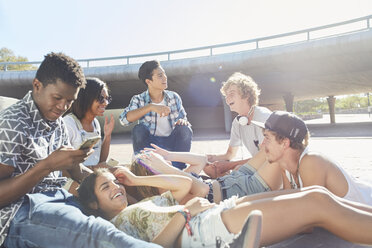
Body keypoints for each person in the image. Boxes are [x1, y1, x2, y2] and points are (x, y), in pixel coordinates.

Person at [0, 52, 159, 248]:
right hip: (22, 211)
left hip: (61, 198)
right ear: (37, 86)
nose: (62, 106)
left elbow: (73, 171)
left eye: (69, 101)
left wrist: (108, 179)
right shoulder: (13, 122)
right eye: (57, 98)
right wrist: (47, 166)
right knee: (99, 234)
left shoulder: (56, 122)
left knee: (125, 221)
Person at [78, 167, 372, 248]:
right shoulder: (114, 227)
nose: (116, 188)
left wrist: (136, 178)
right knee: (314, 205)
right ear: (94, 204)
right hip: (204, 229)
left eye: (113, 183)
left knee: (313, 192)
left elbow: (183, 185)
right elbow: (159, 246)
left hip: (217, 211)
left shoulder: (140, 204)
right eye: (106, 188)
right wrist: (185, 213)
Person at [253, 110, 372, 205]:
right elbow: (287, 198)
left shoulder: (311, 161)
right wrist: (245, 203)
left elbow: (307, 218)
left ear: (285, 143)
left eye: (267, 138)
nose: (262, 144)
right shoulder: (285, 165)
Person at [143, 145, 282, 203]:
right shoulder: (168, 196)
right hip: (243, 190)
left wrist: (168, 155)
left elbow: (201, 160)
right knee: (280, 148)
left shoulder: (177, 178)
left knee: (271, 145)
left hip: (232, 180)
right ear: (153, 170)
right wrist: (164, 167)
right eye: (157, 161)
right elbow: (202, 189)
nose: (163, 161)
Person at [119, 60, 192, 170]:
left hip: (172, 145)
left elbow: (183, 118)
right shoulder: (138, 99)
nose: (165, 77)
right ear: (149, 81)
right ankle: (145, 168)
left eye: (164, 74)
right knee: (138, 129)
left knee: (185, 129)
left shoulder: (174, 97)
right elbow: (124, 120)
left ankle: (177, 169)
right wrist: (151, 107)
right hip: (150, 146)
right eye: (160, 75)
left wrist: (182, 121)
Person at [206, 72, 272, 177]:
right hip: (258, 166)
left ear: (246, 95)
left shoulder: (263, 117)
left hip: (270, 166)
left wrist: (229, 165)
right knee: (209, 168)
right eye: (226, 96)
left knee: (238, 169)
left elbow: (265, 156)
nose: (227, 99)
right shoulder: (237, 122)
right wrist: (209, 158)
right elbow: (230, 154)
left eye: (231, 94)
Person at [63, 77, 115, 193]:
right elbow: (63, 168)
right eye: (101, 99)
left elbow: (100, 160)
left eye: (107, 99)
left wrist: (107, 136)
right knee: (105, 193)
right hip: (72, 179)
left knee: (122, 175)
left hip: (91, 176)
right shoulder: (68, 123)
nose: (105, 103)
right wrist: (93, 172)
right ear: (87, 98)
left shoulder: (95, 123)